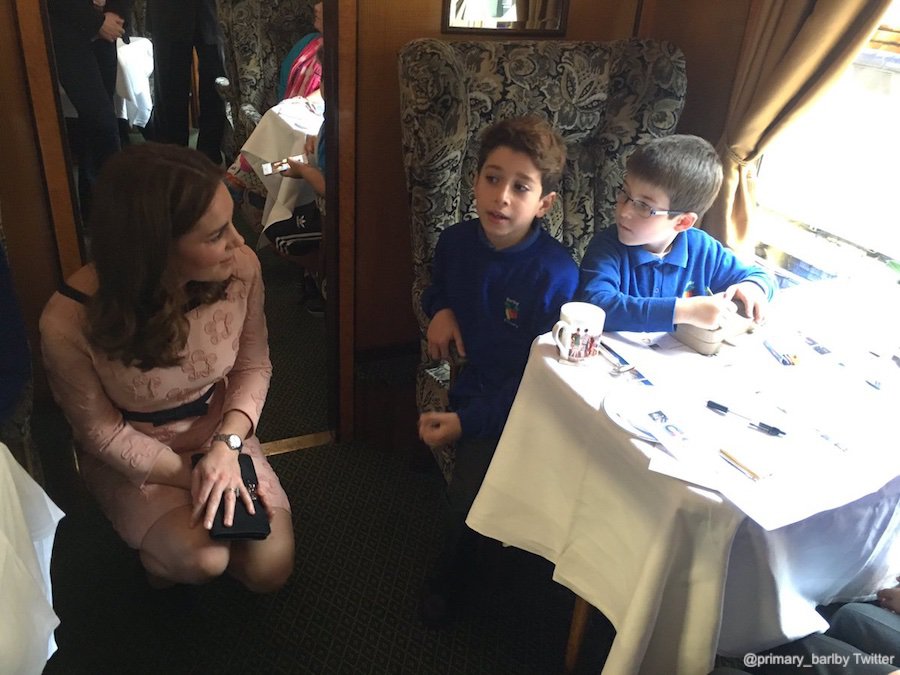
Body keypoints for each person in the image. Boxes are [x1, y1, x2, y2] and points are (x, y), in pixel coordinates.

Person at [39, 143, 294, 592]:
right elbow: (99, 432)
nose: (239, 242)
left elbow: (253, 366)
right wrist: (197, 473)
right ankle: (164, 557)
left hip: (219, 436)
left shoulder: (242, 270)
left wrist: (226, 448)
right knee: (202, 559)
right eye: (216, 235)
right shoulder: (68, 319)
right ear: (156, 249)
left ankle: (194, 537)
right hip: (134, 449)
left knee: (269, 569)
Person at [416, 115, 579, 627]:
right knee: (472, 491)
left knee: (496, 477)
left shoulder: (556, 275)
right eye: (492, 177)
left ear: (543, 203)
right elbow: (437, 285)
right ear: (475, 180)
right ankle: (458, 575)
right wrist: (438, 308)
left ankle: (473, 573)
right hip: (478, 384)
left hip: (530, 398)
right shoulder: (456, 243)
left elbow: (546, 381)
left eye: (520, 187)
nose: (501, 197)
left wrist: (470, 422)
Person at [577, 134, 775, 333]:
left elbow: (761, 276)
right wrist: (683, 311)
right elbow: (597, 305)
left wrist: (753, 287)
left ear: (683, 222)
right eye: (624, 193)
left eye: (644, 206)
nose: (624, 211)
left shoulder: (702, 249)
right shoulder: (607, 246)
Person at [47, 0, 131, 220]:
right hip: (68, 32)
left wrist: (114, 14)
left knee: (93, 124)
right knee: (103, 122)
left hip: (106, 35)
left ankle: (91, 207)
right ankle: (118, 209)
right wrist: (97, 22)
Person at [146, 0, 226, 164]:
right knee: (170, 87)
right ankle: (174, 158)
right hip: (166, 10)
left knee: (216, 84)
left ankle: (209, 156)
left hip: (213, 10)